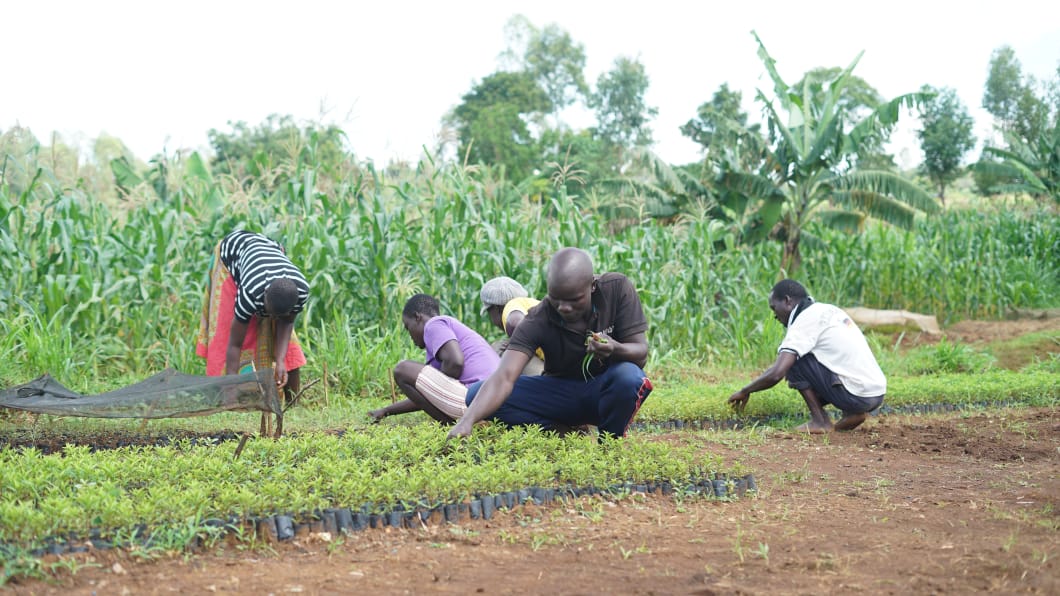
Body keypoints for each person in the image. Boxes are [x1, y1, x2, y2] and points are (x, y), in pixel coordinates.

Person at [449, 248, 653, 441]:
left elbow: (640, 353)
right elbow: (504, 377)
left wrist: (614, 348)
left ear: (592, 285)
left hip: (605, 391)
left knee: (628, 377)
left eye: (574, 299)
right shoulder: (538, 319)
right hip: (560, 395)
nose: (564, 307)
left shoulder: (615, 289)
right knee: (476, 393)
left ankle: (609, 442)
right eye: (556, 299)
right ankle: (559, 430)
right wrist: (466, 422)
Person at [727, 279, 886, 433]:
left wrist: (745, 391)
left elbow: (776, 373)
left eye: (774, 308)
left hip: (856, 395)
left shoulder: (804, 321)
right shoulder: (829, 310)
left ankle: (820, 421)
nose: (775, 316)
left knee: (793, 360)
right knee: (803, 356)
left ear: (787, 301)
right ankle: (853, 413)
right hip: (876, 394)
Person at [196, 230, 309, 402]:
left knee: (287, 342)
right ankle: (229, 395)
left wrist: (280, 362)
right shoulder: (250, 292)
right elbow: (234, 344)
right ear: (263, 297)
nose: (270, 318)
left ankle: (293, 401)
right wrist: (231, 388)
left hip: (268, 249)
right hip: (232, 255)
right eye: (268, 312)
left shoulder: (300, 291)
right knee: (226, 330)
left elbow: (286, 324)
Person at [369, 294, 500, 424]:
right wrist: (386, 411)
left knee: (402, 369)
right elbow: (430, 394)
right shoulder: (447, 334)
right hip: (494, 403)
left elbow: (456, 362)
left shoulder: (433, 324)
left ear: (417, 317)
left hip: (476, 401)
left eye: (408, 327)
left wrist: (439, 383)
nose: (410, 335)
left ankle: (451, 423)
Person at [479, 276, 545, 376]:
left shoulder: (511, 309)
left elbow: (515, 322)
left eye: (489, 312)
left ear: (498, 309)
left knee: (502, 352)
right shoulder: (532, 305)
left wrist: (515, 342)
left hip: (555, 373)